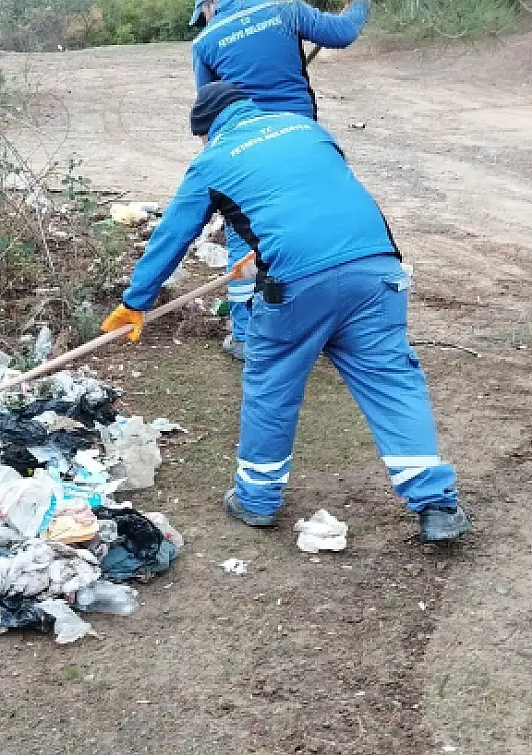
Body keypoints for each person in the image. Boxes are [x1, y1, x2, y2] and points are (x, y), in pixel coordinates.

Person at [101, 82, 470, 543]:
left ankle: (257, 498)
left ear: (208, 129)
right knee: (392, 380)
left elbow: (172, 236)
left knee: (273, 382)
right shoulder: (308, 129)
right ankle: (437, 505)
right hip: (376, 270)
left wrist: (135, 302)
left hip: (298, 285)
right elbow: (315, 199)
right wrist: (263, 249)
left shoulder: (213, 160)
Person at [190, 0, 371, 361]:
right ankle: (324, 325)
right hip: (302, 140)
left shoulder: (205, 42)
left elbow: (207, 113)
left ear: (210, 5)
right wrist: (362, 2)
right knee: (314, 226)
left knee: (245, 233)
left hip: (247, 151)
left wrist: (215, 172)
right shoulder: (284, 9)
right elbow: (342, 32)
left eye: (201, 15)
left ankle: (245, 335)